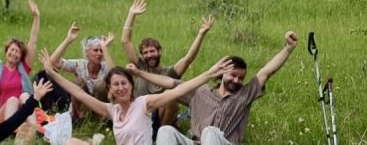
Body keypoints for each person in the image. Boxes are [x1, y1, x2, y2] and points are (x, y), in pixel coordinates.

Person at [39, 48, 234, 145]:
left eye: (124, 83)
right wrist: (52, 72)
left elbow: (177, 91)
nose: (121, 88)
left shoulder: (144, 104)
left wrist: (208, 74)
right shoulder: (111, 110)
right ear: (110, 89)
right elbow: (79, 93)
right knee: (72, 142)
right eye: (116, 84)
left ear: (131, 87)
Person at [144, 31, 299, 145]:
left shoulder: (244, 94)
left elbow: (267, 72)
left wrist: (288, 48)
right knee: (166, 131)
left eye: (241, 78)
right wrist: (138, 73)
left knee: (210, 131)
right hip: (196, 142)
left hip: (224, 143)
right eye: (233, 75)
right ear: (223, 73)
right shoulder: (200, 91)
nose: (237, 80)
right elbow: (169, 82)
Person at [121, 0, 215, 127]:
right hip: (141, 116)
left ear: (159, 52)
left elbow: (188, 59)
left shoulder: (170, 72)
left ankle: (161, 137)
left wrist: (201, 34)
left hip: (161, 118)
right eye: (146, 53)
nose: (149, 55)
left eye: (152, 51)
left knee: (170, 97)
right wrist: (131, 14)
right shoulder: (139, 67)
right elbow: (125, 41)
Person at [0, 0, 40, 123]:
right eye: (12, 50)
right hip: (2, 114)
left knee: (25, 96)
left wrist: (36, 17)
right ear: (6, 51)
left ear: (21, 56)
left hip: (22, 114)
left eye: (18, 52)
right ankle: (9, 131)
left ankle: (33, 130)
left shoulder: (23, 69)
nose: (14, 54)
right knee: (13, 100)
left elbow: (33, 42)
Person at [48, 21, 116, 120]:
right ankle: (79, 118)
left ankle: (100, 119)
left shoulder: (106, 66)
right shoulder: (79, 64)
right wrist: (68, 40)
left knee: (100, 85)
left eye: (101, 51)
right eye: (95, 50)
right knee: (79, 81)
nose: (99, 54)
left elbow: (115, 74)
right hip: (81, 109)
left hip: (101, 109)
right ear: (87, 52)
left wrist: (105, 48)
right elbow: (53, 63)